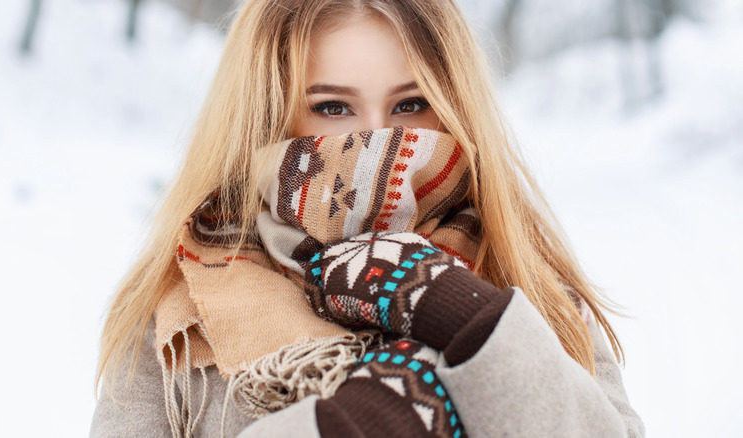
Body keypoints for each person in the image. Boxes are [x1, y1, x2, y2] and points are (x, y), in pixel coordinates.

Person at [90, 0, 645, 437]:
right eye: (332, 108)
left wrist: (469, 323)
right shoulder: (183, 320)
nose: (382, 138)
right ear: (269, 116)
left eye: (411, 104)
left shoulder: (526, 281)